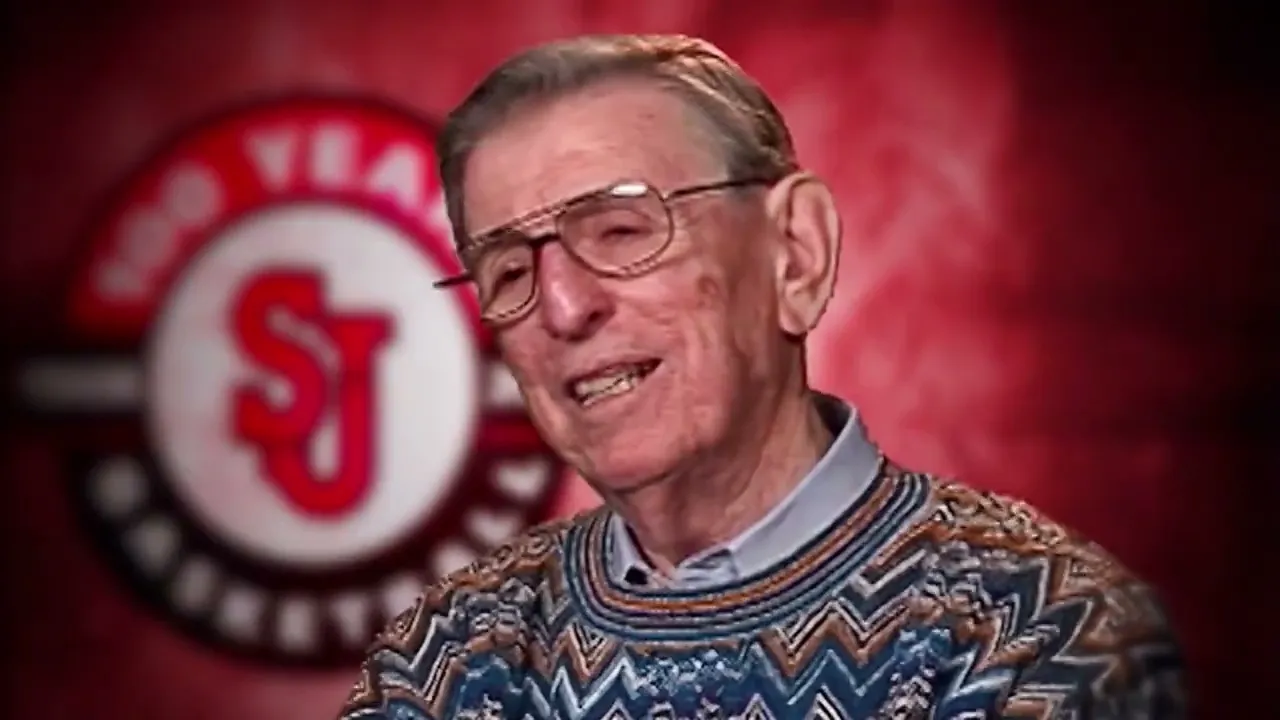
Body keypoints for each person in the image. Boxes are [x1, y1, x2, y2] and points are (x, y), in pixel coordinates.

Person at [337, 34, 1185, 719]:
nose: (562, 308)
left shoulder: (1040, 629)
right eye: (509, 272)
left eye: (622, 231)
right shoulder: (451, 651)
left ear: (795, 253)